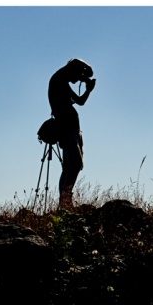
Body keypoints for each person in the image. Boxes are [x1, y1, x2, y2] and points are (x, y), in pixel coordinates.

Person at [48, 58, 96, 209]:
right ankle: (65, 201)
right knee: (75, 164)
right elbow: (79, 100)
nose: (78, 80)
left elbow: (80, 101)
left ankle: (64, 202)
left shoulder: (60, 80)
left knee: (69, 167)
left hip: (72, 129)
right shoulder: (60, 80)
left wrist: (88, 89)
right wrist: (85, 76)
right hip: (67, 129)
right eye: (78, 75)